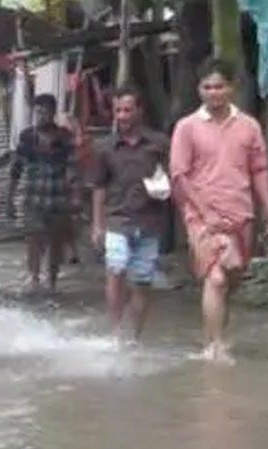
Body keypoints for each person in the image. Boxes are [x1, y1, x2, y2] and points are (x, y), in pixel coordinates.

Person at [169, 58, 268, 363]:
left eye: (219, 86)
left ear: (231, 88)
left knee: (232, 277)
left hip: (241, 212)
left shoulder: (248, 126)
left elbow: (259, 170)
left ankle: (212, 337)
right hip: (202, 214)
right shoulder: (187, 127)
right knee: (217, 277)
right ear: (199, 90)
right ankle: (216, 348)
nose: (213, 93)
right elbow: (180, 175)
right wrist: (204, 212)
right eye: (207, 87)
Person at [88, 86, 171, 343]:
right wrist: (97, 225)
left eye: (127, 110)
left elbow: (175, 176)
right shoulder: (104, 147)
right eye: (117, 111)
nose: (122, 116)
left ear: (139, 111)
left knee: (142, 281)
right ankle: (116, 333)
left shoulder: (159, 144)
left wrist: (164, 186)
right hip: (117, 219)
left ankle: (134, 337)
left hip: (149, 219)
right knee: (116, 267)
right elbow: (99, 187)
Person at [8, 93, 76, 292]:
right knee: (33, 239)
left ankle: (52, 281)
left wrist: (75, 196)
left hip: (58, 197)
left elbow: (72, 167)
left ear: (53, 113)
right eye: (37, 112)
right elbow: (16, 168)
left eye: (45, 112)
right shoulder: (27, 137)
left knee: (56, 241)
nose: (41, 116)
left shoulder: (64, 137)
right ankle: (35, 278)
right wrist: (10, 198)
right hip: (34, 197)